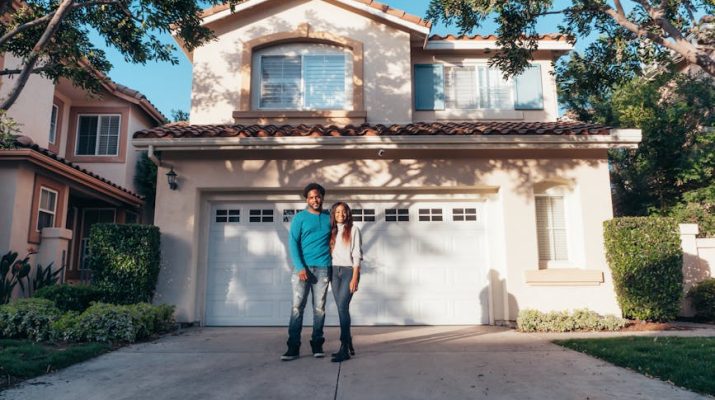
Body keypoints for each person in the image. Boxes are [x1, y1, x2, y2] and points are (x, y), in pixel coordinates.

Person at [281, 183, 332, 361]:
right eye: (311, 197)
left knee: (319, 309)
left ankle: (317, 344)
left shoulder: (329, 218)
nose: (315, 200)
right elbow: (293, 243)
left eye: (317, 196)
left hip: (323, 268)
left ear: (322, 197)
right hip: (302, 268)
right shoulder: (300, 218)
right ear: (307, 199)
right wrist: (300, 267)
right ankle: (293, 347)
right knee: (297, 308)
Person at [328, 201, 362, 362]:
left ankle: (344, 347)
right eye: (337, 212)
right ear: (333, 215)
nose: (340, 214)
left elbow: (357, 254)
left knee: (342, 307)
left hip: (349, 271)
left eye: (343, 211)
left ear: (348, 213)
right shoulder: (331, 231)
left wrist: (355, 277)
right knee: (342, 308)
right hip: (334, 272)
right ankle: (348, 342)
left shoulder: (354, 230)